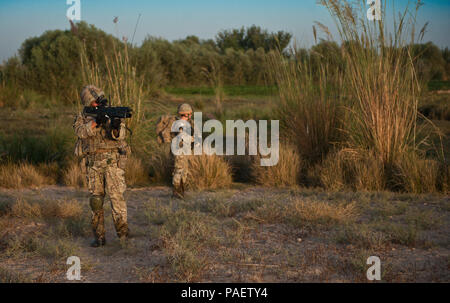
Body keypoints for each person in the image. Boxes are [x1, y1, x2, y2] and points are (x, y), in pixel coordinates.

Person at [73, 85, 130, 247]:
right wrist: (95, 122)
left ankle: (123, 235)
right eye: (94, 104)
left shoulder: (113, 112)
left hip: (113, 162)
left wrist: (116, 126)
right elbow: (80, 132)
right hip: (93, 163)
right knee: (96, 201)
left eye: (99, 102)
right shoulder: (83, 116)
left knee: (117, 198)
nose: (98, 106)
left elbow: (120, 137)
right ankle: (99, 237)